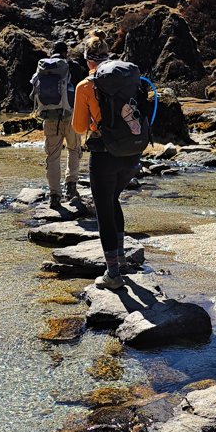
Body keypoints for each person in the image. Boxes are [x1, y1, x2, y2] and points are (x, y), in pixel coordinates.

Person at [71, 32, 142, 290]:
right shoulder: (127, 77)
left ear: (87, 59)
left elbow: (79, 128)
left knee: (104, 210)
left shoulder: (85, 86)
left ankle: (113, 274)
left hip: (104, 154)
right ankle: (121, 261)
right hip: (132, 152)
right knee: (113, 200)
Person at [38, 40, 86, 209]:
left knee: (52, 157)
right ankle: (71, 186)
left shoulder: (42, 68)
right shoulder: (73, 67)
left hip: (49, 118)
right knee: (74, 149)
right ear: (66, 52)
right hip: (71, 117)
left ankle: (54, 196)